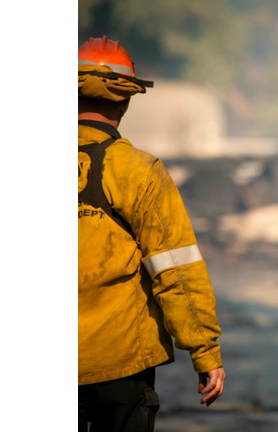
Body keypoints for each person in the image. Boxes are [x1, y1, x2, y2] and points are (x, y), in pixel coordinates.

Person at [78, 36, 226, 432]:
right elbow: (176, 271)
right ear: (126, 101)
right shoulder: (139, 172)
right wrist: (205, 352)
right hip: (121, 364)